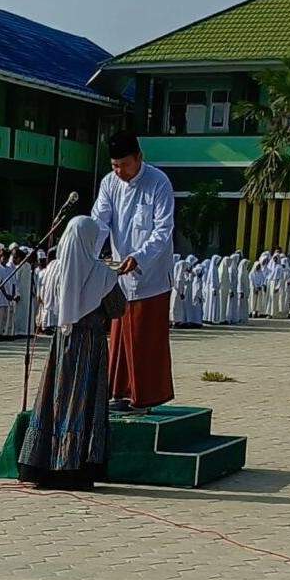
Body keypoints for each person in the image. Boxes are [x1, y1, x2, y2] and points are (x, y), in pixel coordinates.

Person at [18, 215, 125, 490]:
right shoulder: (102, 273)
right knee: (82, 399)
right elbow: (118, 308)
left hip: (61, 342)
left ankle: (42, 464)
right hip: (89, 343)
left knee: (57, 397)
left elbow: (50, 304)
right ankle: (74, 467)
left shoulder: (53, 269)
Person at [90, 133, 176, 412]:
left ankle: (146, 398)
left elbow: (163, 231)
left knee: (144, 338)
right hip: (118, 274)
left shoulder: (158, 183)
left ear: (139, 158)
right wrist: (88, 248)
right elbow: (99, 221)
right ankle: (119, 392)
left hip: (150, 276)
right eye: (115, 165)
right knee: (118, 337)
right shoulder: (109, 183)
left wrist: (138, 258)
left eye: (124, 165)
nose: (119, 171)